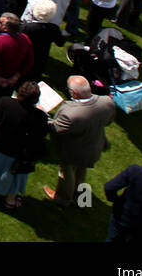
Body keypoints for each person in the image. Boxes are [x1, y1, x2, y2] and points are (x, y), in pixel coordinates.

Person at [44, 75, 117, 208]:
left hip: (74, 150)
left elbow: (54, 127)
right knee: (82, 170)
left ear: (74, 93)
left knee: (67, 173)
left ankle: (62, 198)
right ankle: (81, 198)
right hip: (94, 145)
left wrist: (43, 115)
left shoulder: (71, 113)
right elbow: (108, 121)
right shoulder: (107, 102)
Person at [0, 81, 48, 210]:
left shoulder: (6, 102)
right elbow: (41, 134)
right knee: (12, 175)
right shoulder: (40, 117)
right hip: (16, 153)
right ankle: (10, 200)